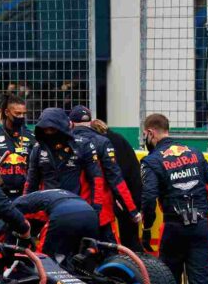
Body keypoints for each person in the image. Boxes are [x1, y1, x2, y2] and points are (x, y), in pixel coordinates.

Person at [140, 113, 208, 284]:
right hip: (200, 225)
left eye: (145, 135)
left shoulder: (151, 160)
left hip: (174, 227)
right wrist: (203, 212)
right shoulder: (194, 152)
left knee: (169, 281)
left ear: (150, 132)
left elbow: (149, 198)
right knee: (201, 281)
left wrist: (147, 228)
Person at [68, 106, 141, 244]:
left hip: (70, 210)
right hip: (101, 213)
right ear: (90, 123)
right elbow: (116, 179)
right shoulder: (103, 142)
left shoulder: (63, 142)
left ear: (71, 123)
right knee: (108, 254)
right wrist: (132, 210)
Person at [23, 108, 104, 214]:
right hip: (48, 209)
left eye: (52, 129)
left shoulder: (83, 146)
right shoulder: (38, 149)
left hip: (76, 208)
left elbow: (96, 179)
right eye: (45, 130)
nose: (49, 133)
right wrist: (24, 209)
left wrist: (96, 209)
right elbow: (31, 183)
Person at [0, 189, 98, 260]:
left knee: (43, 260)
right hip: (90, 213)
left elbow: (0, 227)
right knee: (80, 257)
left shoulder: (17, 204)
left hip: (63, 214)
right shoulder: (43, 196)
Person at [91, 118, 144, 252]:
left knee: (128, 241)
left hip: (125, 197)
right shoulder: (118, 139)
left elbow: (116, 175)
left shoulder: (106, 144)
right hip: (133, 192)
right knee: (130, 239)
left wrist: (119, 199)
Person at [0, 94, 34, 198]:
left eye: (23, 114)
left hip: (25, 195)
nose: (21, 117)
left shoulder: (31, 137)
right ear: (7, 112)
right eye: (17, 113)